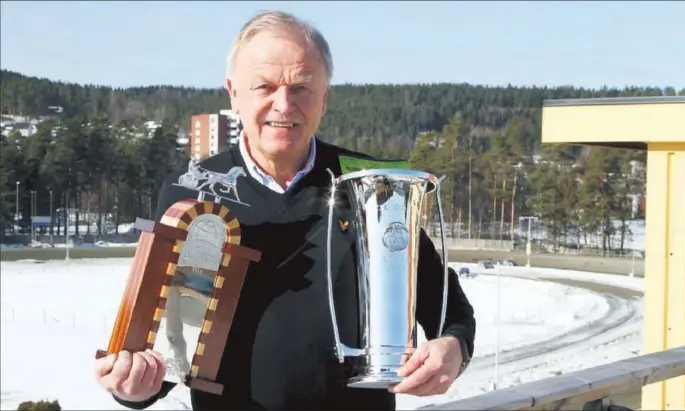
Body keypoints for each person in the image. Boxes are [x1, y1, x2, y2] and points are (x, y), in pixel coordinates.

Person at [94, 10, 476, 410]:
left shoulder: (375, 184)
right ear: (233, 93)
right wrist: (133, 387)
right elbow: (171, 342)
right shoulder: (191, 194)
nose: (284, 104)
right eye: (265, 86)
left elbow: (445, 303)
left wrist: (453, 347)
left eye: (301, 88)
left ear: (324, 98)